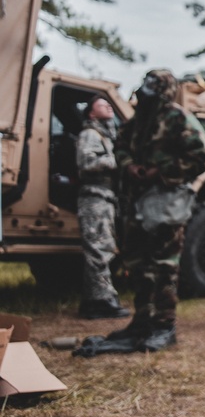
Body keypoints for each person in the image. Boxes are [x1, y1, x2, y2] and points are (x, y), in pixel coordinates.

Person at [75, 69, 205, 357]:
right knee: (137, 263)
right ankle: (142, 322)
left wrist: (159, 171)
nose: (145, 88)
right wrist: (129, 166)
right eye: (146, 82)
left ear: (164, 90)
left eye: (153, 84)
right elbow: (121, 147)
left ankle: (164, 325)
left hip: (165, 203)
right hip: (136, 204)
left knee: (163, 266)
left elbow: (202, 159)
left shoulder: (177, 119)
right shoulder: (138, 121)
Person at [75, 95, 131, 320]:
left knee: (103, 246)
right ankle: (101, 300)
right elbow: (86, 162)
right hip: (94, 197)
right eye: (101, 104)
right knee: (98, 248)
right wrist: (115, 160)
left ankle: (94, 300)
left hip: (106, 197)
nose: (108, 106)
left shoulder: (107, 135)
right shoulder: (90, 134)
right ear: (91, 113)